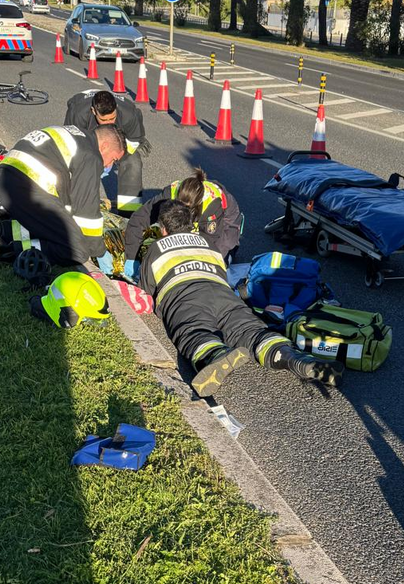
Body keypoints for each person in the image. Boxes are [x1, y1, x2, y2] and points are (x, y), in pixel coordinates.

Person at [139, 200, 344, 397]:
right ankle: (292, 357)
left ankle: (215, 355)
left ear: (163, 228)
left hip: (186, 296)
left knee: (194, 331)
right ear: (190, 224)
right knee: (251, 331)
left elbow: (146, 291)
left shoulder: (156, 248)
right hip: (224, 294)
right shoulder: (208, 244)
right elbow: (222, 273)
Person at [0, 124, 126, 272]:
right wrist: (99, 250)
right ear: (104, 146)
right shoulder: (91, 155)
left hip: (6, 179)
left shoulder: (76, 135)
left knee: (52, 230)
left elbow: (66, 199)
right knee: (78, 250)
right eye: (114, 159)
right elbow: (86, 212)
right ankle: (4, 247)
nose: (110, 166)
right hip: (28, 186)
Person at [121, 168, 242, 280]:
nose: (182, 210)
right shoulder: (169, 193)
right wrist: (131, 257)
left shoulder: (211, 206)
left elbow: (210, 242)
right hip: (197, 209)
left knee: (217, 262)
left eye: (186, 208)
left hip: (226, 219)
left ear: (196, 205)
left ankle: (233, 249)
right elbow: (138, 219)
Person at [64, 90, 149, 215]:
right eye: (104, 120)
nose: (109, 123)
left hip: (120, 139)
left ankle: (129, 213)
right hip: (88, 136)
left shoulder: (129, 114)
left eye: (112, 118)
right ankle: (82, 207)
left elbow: (133, 142)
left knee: (133, 162)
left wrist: (114, 157)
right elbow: (73, 146)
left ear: (117, 108)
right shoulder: (78, 114)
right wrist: (97, 160)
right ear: (94, 111)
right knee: (85, 165)